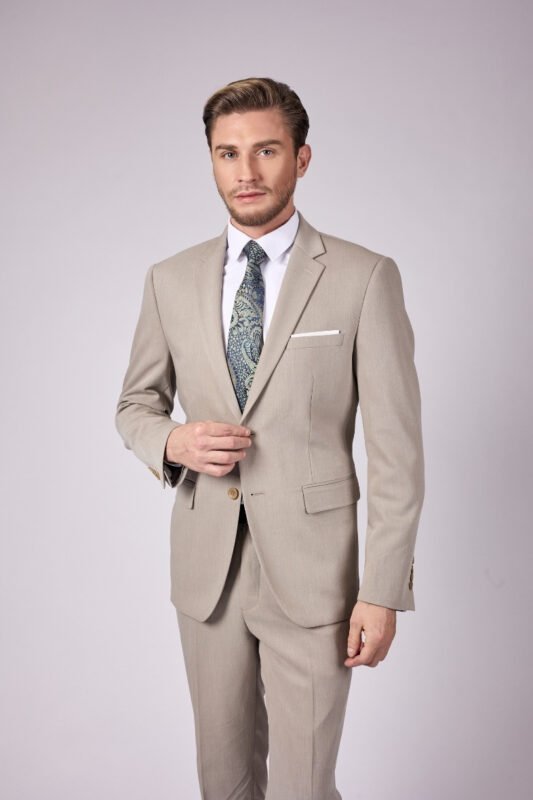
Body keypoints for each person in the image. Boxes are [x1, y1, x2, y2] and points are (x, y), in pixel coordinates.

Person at [115, 76, 425, 800]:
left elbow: (396, 454)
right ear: (211, 161)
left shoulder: (362, 277)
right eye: (227, 154)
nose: (245, 172)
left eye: (265, 151)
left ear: (301, 158)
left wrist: (382, 591)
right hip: (208, 576)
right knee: (221, 782)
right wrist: (173, 443)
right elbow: (135, 404)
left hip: (316, 575)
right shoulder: (170, 279)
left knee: (303, 786)